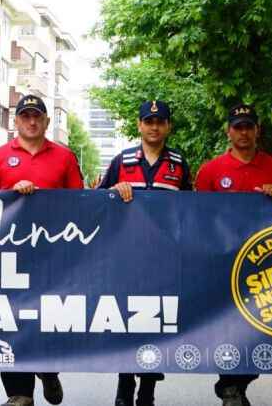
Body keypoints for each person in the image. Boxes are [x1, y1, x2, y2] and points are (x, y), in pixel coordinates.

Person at [0, 94, 84, 406]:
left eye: (37, 116)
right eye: (25, 116)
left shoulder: (64, 157)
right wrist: (9, 193)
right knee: (8, 319)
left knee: (47, 316)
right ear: (16, 121)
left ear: (47, 121)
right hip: (9, 253)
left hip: (52, 255)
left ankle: (47, 371)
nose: (32, 121)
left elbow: (80, 202)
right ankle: (19, 393)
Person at [195, 103, 272, 406]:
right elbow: (197, 216)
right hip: (223, 261)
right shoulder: (211, 170)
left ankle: (235, 384)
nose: (244, 132)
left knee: (261, 330)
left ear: (257, 130)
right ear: (229, 131)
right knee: (229, 328)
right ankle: (230, 387)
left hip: (263, 263)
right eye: (238, 127)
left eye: (249, 126)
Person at [98, 100, 191, 406]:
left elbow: (192, 209)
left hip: (164, 258)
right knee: (127, 323)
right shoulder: (121, 161)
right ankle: (124, 387)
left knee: (157, 323)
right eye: (148, 121)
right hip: (127, 257)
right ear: (139, 125)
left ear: (168, 126)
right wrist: (114, 191)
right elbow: (95, 204)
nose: (154, 127)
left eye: (160, 121)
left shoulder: (179, 164)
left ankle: (148, 390)